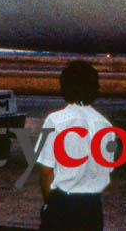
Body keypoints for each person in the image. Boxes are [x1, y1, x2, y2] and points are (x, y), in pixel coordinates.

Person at [36, 60, 115, 231]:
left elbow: (45, 170)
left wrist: (50, 204)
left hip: (63, 204)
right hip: (92, 208)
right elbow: (105, 168)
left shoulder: (55, 120)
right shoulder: (105, 125)